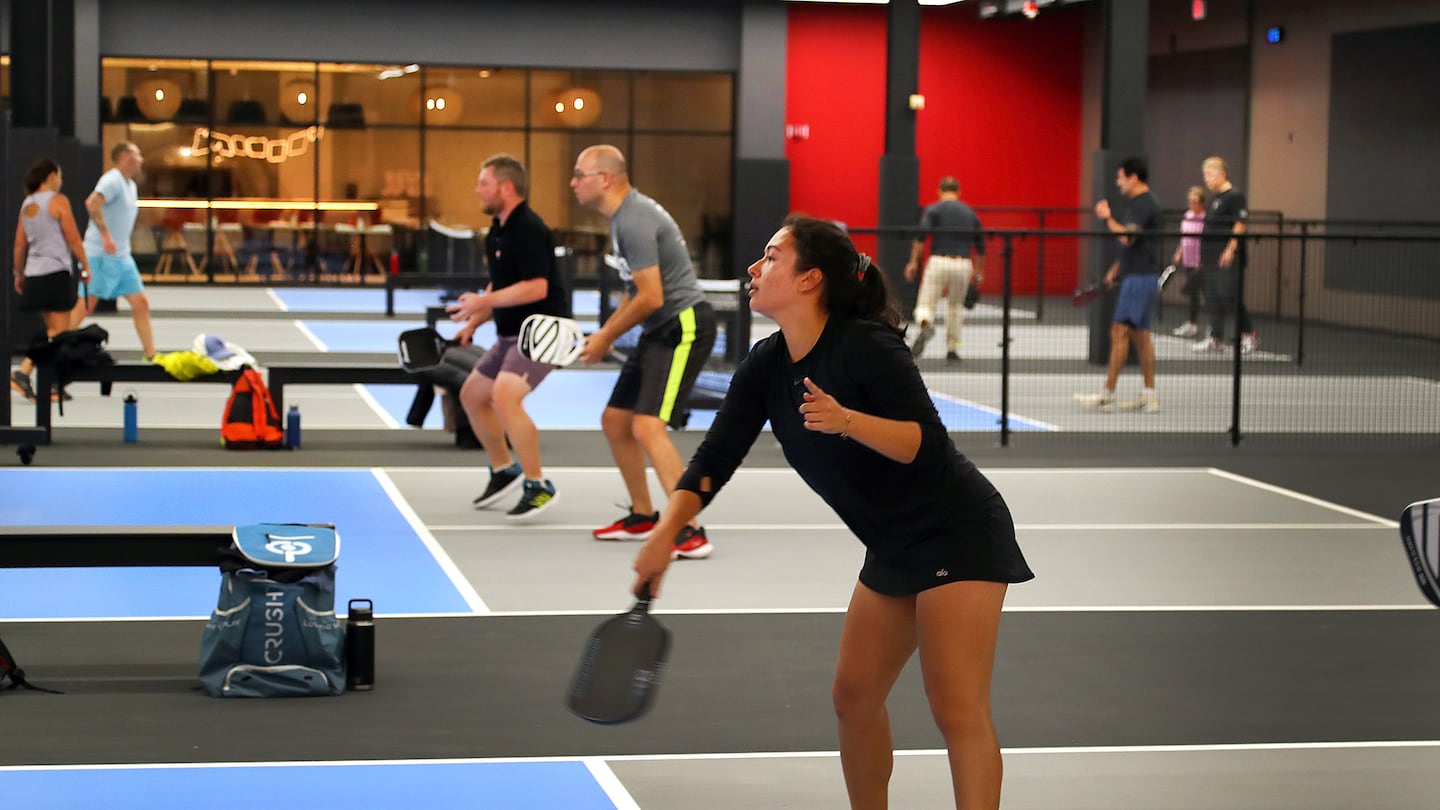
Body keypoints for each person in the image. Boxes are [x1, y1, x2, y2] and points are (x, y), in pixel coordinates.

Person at [631, 216, 1032, 809]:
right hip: (893, 545)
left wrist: (848, 421)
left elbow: (926, 444)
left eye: (771, 257)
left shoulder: (866, 345)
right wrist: (666, 532)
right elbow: (717, 454)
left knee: (954, 705)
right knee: (854, 697)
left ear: (809, 279)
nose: (754, 267)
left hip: (957, 532)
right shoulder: (768, 363)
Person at [571, 144, 717, 560]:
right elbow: (638, 292)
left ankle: (688, 529)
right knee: (616, 421)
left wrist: (603, 338)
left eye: (579, 174)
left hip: (683, 324)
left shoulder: (633, 219)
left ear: (605, 178)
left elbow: (651, 297)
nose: (573, 183)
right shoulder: (622, 219)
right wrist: (607, 334)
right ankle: (642, 514)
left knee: (648, 425)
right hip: (659, 329)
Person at [447, 154, 570, 519]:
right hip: (509, 333)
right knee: (472, 395)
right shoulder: (497, 232)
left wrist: (483, 301)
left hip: (543, 330)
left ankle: (538, 485)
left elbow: (535, 288)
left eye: (483, 183)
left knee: (505, 396)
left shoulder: (529, 228)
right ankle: (505, 471)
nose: (477, 190)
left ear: (506, 187)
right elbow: (501, 286)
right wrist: (475, 321)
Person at [1075, 157, 1163, 413]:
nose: (1118, 182)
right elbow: (1135, 244)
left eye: (1121, 177)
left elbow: (1127, 237)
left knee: (1119, 333)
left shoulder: (1145, 204)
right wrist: (1116, 268)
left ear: (1133, 178)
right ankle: (1149, 394)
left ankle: (1108, 393)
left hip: (1139, 279)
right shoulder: (1138, 203)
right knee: (1141, 336)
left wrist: (1106, 217)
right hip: (1137, 275)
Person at [10, 158, 92, 401]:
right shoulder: (58, 201)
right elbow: (73, 237)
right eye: (60, 175)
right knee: (60, 331)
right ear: (51, 176)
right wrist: (85, 265)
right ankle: (43, 380)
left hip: (34, 274)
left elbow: (19, 244)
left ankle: (31, 375)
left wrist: (18, 273)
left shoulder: (27, 204)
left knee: (54, 330)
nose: (61, 180)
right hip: (54, 272)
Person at [83, 141, 156, 360]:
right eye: (137, 154)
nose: (141, 159)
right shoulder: (112, 179)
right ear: (125, 157)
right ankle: (45, 358)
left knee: (140, 303)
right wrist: (105, 235)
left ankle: (151, 356)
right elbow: (92, 203)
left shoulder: (130, 185)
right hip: (99, 254)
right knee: (85, 306)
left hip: (122, 256)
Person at [904, 176, 984, 364]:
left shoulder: (934, 210)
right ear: (959, 191)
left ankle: (926, 324)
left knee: (926, 303)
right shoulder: (969, 213)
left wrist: (913, 262)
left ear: (940, 191)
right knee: (955, 307)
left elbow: (921, 237)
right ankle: (952, 349)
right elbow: (980, 247)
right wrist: (978, 271)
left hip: (939, 260)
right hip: (963, 263)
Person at [1192, 156, 1258, 354]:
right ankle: (1216, 338)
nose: (1207, 179)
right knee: (1212, 297)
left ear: (1222, 174)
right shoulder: (1215, 199)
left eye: (1210, 175)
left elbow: (1240, 223)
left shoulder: (1235, 196)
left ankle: (1249, 335)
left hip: (1227, 258)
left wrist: (1230, 249)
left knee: (1230, 296)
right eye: (1205, 175)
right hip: (1210, 257)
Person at [1169, 186, 1206, 339]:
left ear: (1202, 203)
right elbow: (1184, 237)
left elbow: (1206, 240)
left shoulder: (1206, 217)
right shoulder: (1187, 215)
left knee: (1202, 291)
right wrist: (1179, 252)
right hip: (1188, 260)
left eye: (1195, 202)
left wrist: (1202, 258)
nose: (1192, 205)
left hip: (1201, 261)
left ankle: (1213, 329)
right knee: (1193, 294)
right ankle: (1192, 324)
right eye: (1190, 202)